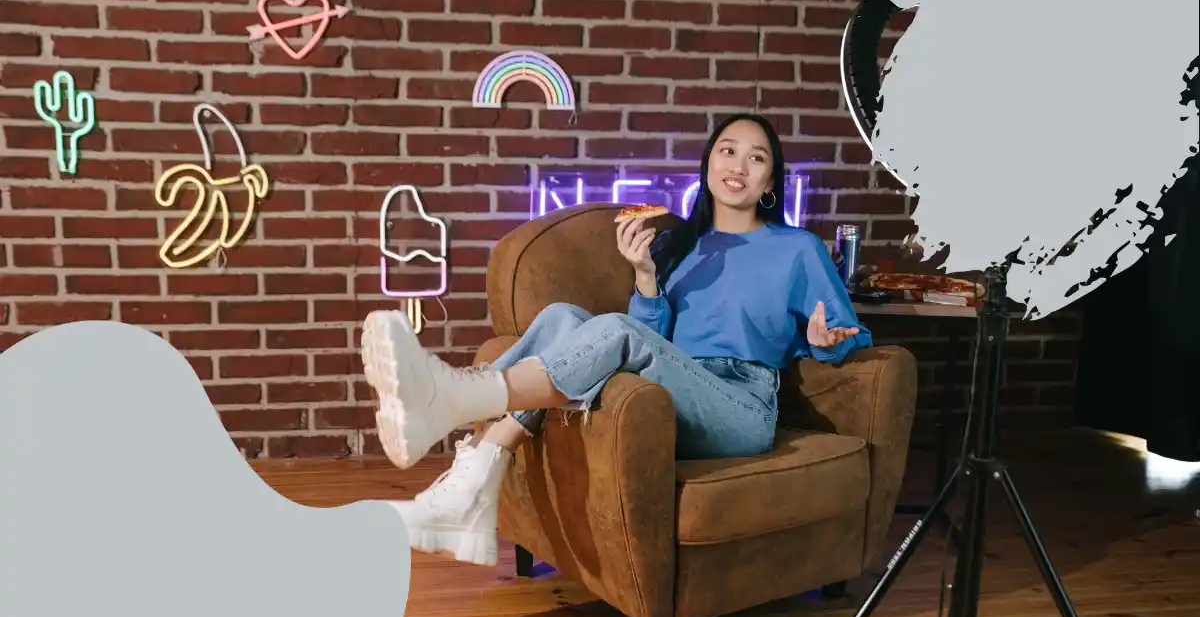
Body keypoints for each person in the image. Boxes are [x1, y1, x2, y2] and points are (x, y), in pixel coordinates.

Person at [361, 113, 873, 567]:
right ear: (708, 165)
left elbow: (853, 335)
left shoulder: (798, 248)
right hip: (673, 395)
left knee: (615, 330)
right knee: (561, 316)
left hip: (741, 407)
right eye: (727, 150)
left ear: (770, 181)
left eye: (756, 157)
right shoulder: (680, 246)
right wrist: (646, 277)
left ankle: (459, 408)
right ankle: (476, 473)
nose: (738, 165)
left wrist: (825, 340)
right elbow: (648, 341)